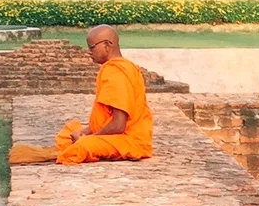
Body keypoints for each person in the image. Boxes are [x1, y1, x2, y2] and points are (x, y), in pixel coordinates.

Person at [8, 25, 154, 166]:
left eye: (92, 47)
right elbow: (105, 119)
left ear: (107, 45)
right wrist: (84, 132)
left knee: (83, 145)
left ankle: (67, 149)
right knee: (69, 133)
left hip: (130, 140)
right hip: (115, 135)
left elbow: (118, 125)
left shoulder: (118, 72)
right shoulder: (114, 68)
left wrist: (89, 137)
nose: (89, 52)